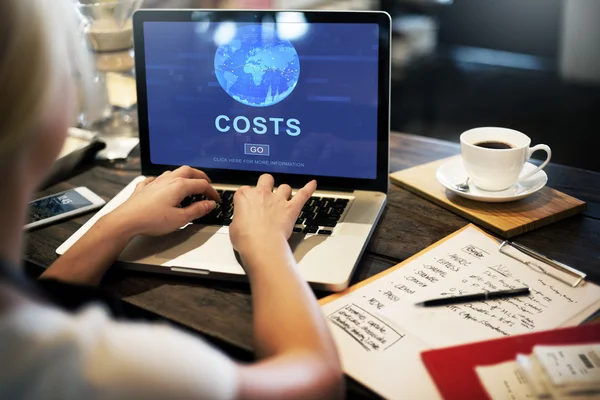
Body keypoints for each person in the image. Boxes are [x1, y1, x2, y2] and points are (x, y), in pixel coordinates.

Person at [0, 1, 343, 399]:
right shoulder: (110, 368)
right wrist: (266, 245)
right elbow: (317, 382)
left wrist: (117, 223)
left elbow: (45, 305)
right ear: (45, 111)